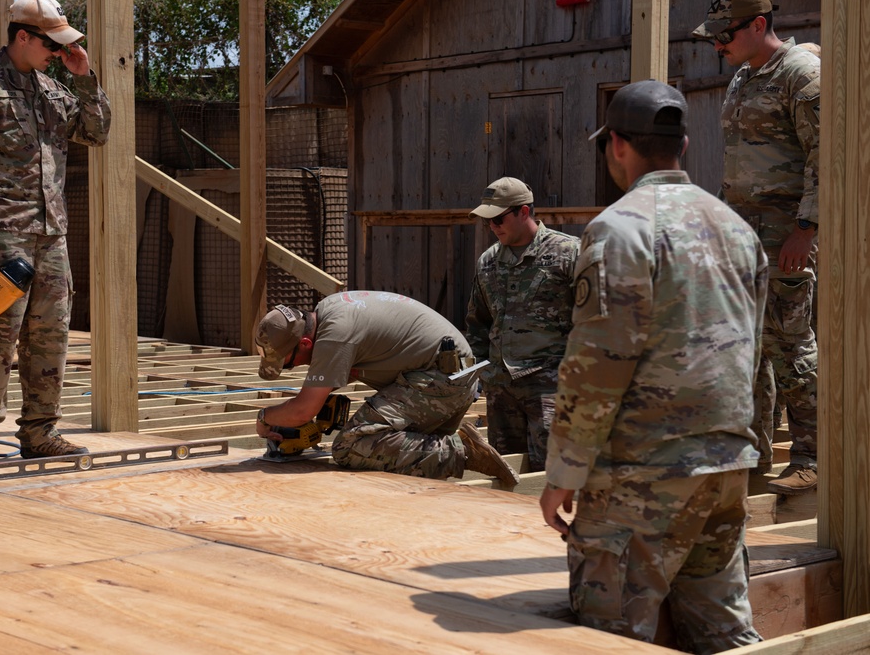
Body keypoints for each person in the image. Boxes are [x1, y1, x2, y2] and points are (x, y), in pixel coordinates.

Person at [539, 81, 766, 652]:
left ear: (617, 144)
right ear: (683, 144)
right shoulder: (737, 230)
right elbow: (750, 349)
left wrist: (564, 472)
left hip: (642, 475)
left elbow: (596, 366)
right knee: (725, 633)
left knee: (611, 637)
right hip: (725, 465)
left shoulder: (621, 229)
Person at [0, 0, 111, 466]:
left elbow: (96, 133)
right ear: (23, 37)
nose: (58, 52)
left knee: (50, 335)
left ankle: (40, 432)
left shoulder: (52, 90)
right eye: (52, 44)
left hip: (51, 236)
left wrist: (84, 78)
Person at [693, 0, 820, 495]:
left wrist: (806, 230)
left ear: (758, 26)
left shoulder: (801, 76)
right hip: (745, 238)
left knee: (792, 346)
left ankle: (811, 457)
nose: (718, 47)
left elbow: (825, 159)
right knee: (749, 350)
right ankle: (753, 453)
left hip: (787, 236)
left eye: (723, 36)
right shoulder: (742, 78)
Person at [253, 291, 519, 489]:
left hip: (440, 380)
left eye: (288, 363)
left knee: (351, 446)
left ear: (306, 342)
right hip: (446, 375)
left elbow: (302, 411)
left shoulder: (335, 334)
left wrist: (265, 418)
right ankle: (447, 445)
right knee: (398, 452)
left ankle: (463, 450)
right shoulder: (329, 310)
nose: (292, 368)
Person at [464, 177, 578, 472]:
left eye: (499, 219)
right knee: (506, 476)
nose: (493, 227)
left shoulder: (568, 254)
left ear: (524, 212)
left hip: (550, 388)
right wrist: (478, 373)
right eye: (488, 221)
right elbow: (478, 322)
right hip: (501, 390)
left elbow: (595, 320)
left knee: (552, 477)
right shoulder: (488, 262)